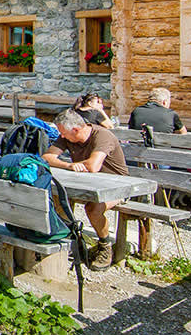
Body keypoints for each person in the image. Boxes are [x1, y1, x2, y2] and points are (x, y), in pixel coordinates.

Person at [41, 109, 129, 270]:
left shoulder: (102, 136)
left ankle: (105, 246)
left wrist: (75, 165)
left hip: (116, 187)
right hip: (86, 184)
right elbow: (47, 157)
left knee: (93, 208)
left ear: (75, 129)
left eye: (63, 132)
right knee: (57, 197)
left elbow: (93, 166)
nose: (61, 136)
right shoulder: (68, 137)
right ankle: (68, 239)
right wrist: (68, 165)